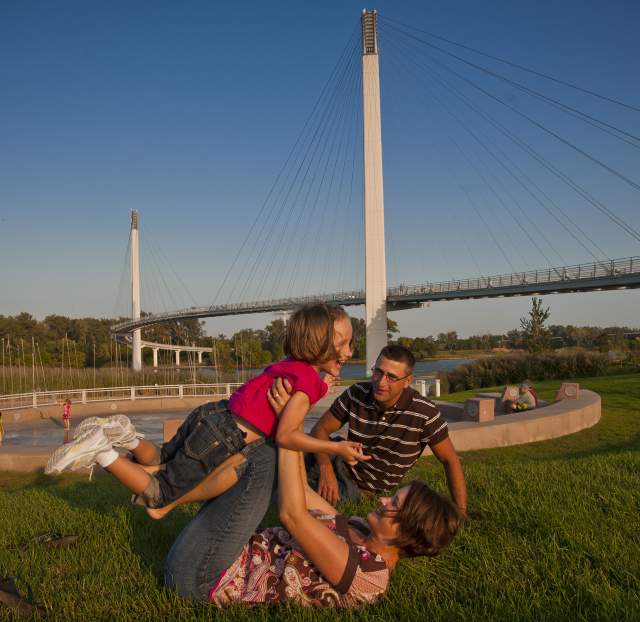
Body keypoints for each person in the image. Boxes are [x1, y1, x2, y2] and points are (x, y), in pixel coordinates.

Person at [44, 304, 367, 520]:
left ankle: (126, 437)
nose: (350, 351)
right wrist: (335, 446)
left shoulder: (293, 368)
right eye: (343, 344)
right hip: (225, 437)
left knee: (161, 460)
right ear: (318, 343)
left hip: (212, 415)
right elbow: (287, 435)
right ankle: (103, 451)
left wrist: (323, 383)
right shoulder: (307, 381)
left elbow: (301, 389)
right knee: (159, 494)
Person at [165, 441, 463, 606]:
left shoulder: (369, 578)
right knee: (263, 445)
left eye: (395, 505)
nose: (385, 500)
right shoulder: (359, 529)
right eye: (393, 496)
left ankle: (163, 493)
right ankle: (161, 477)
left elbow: (292, 514)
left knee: (267, 454)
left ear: (407, 532)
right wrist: (292, 426)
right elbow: (302, 494)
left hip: (203, 579)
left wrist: (288, 431)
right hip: (216, 553)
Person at [275, 344, 467, 514]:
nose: (381, 382)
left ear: (407, 381)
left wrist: (460, 512)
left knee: (299, 500)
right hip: (334, 457)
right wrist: (326, 469)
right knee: (278, 450)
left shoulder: (424, 413)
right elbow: (320, 430)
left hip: (357, 487)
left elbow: (450, 460)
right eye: (378, 372)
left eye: (391, 377)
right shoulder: (357, 393)